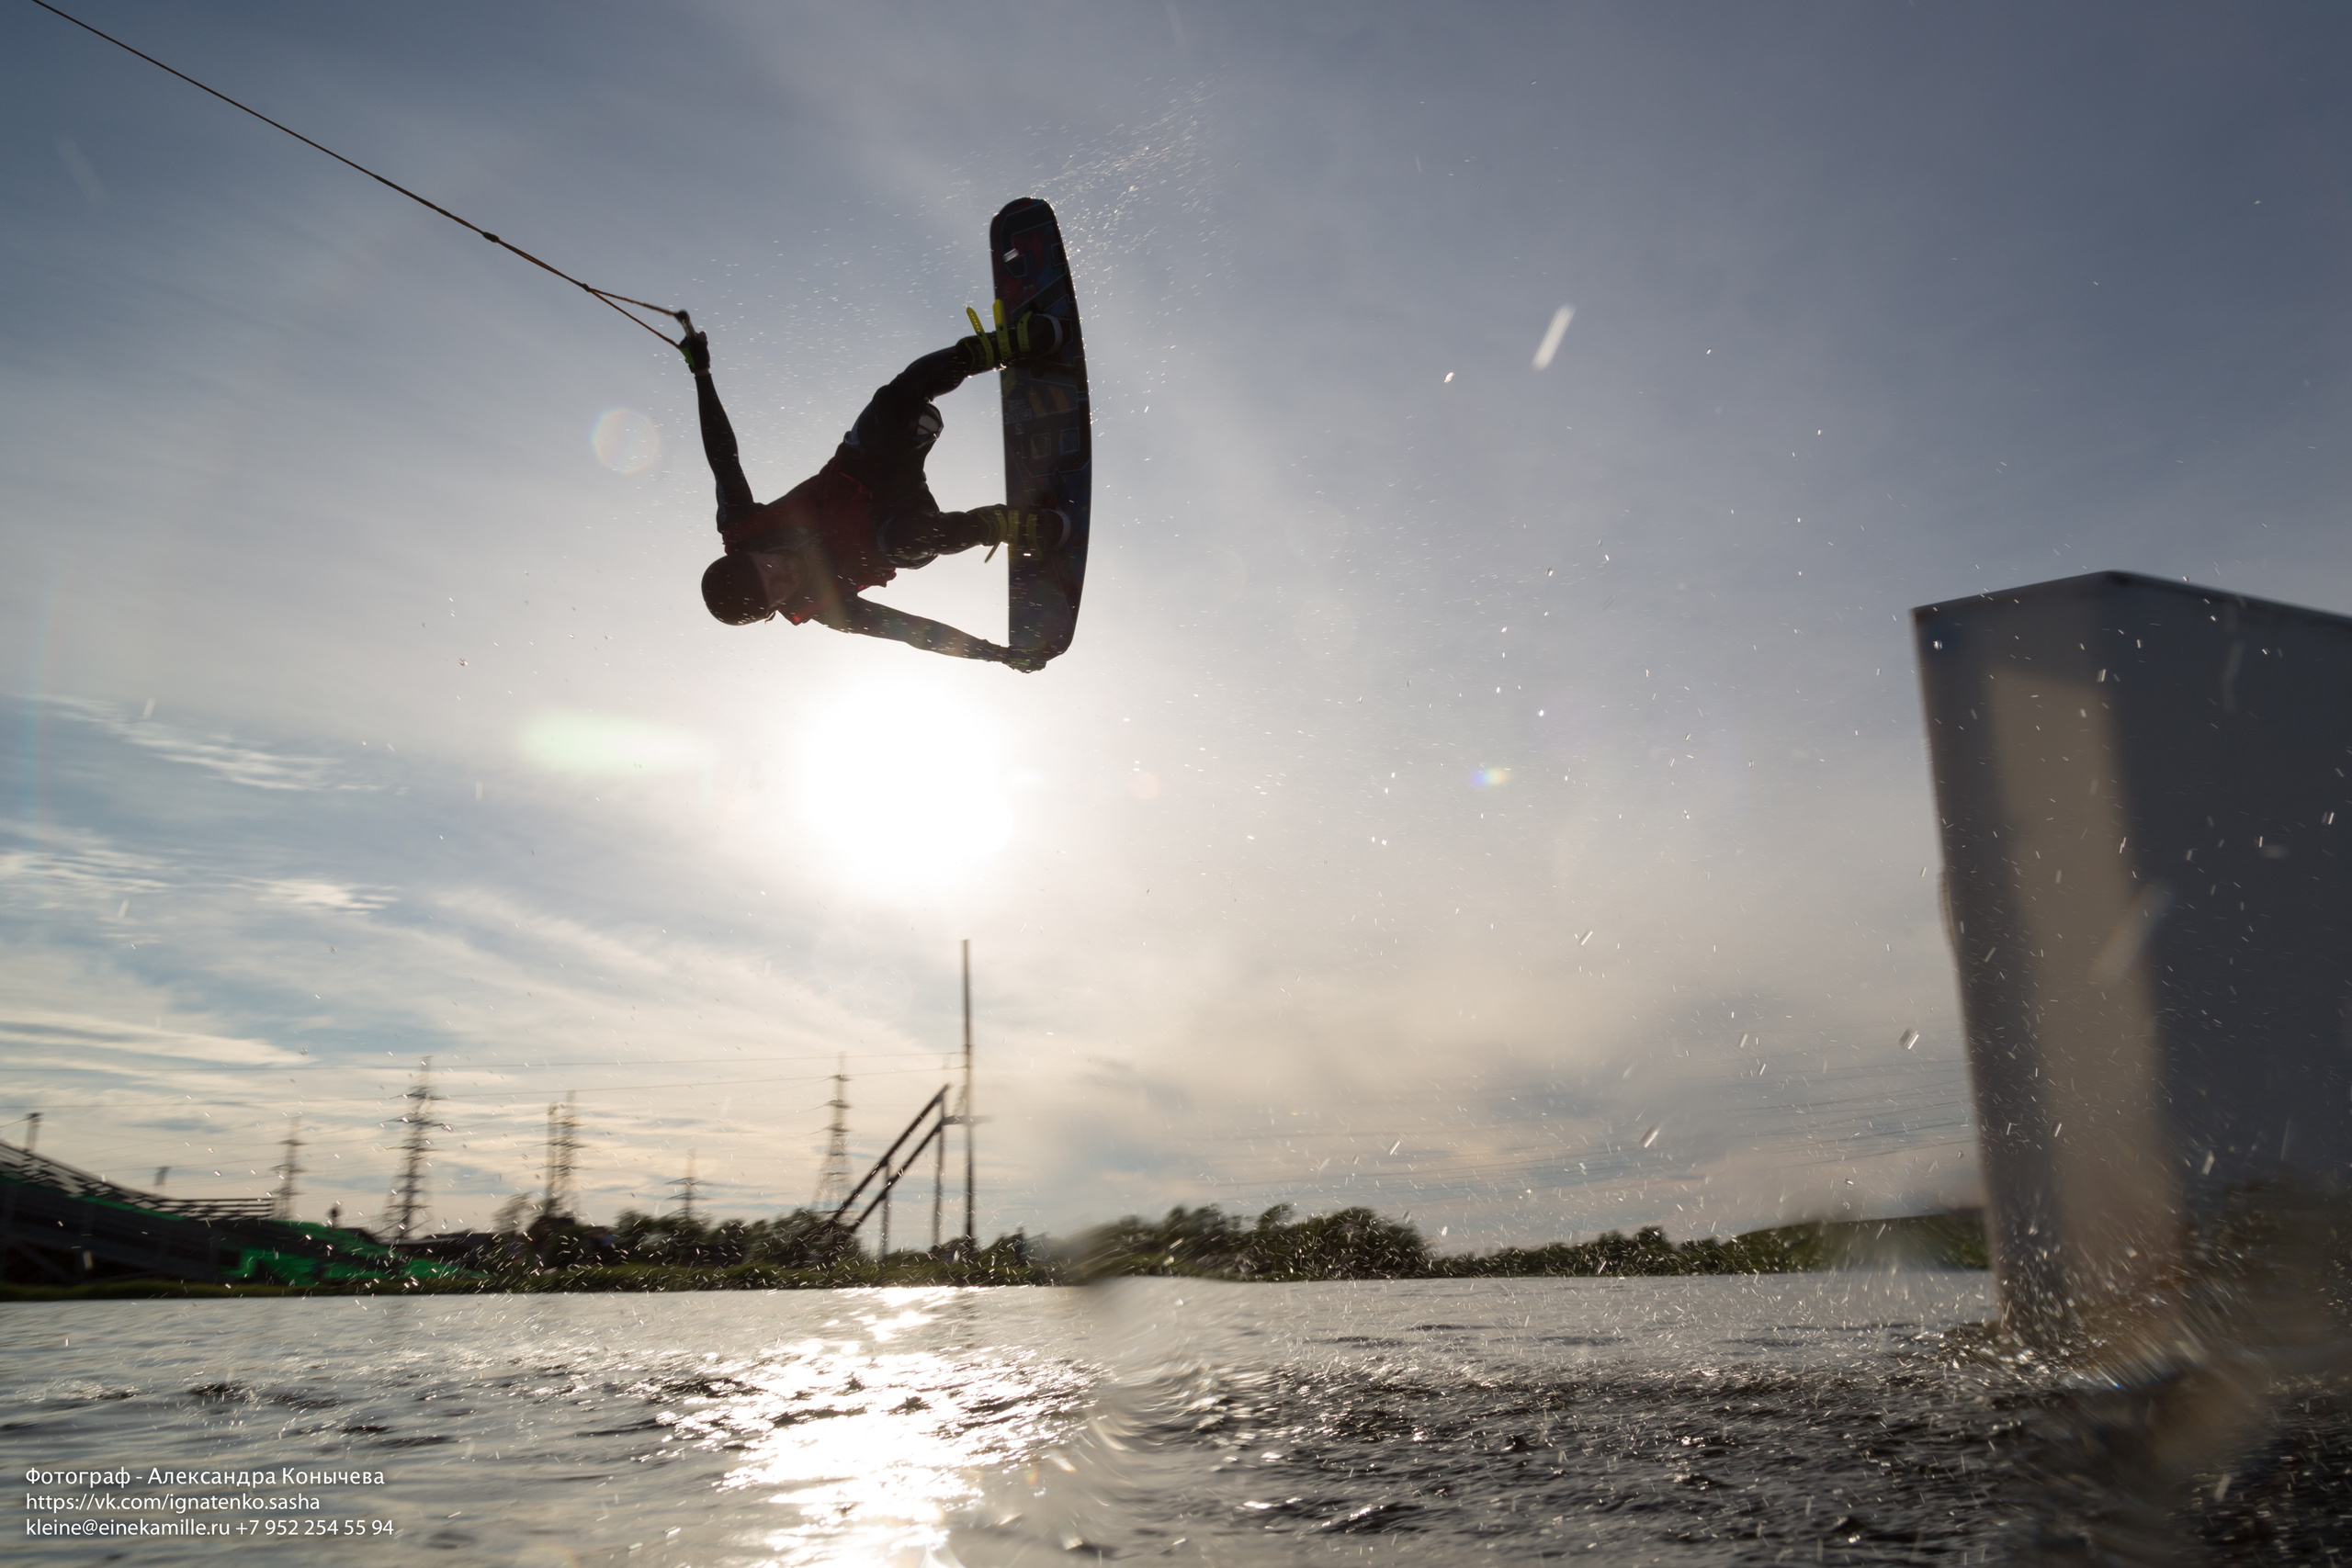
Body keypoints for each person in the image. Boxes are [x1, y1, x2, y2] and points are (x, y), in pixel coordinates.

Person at [685, 315, 1069, 669]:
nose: (783, 571)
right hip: (900, 525)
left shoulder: (742, 525)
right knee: (906, 540)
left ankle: (996, 350)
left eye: (766, 566)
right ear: (775, 609)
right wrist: (997, 654)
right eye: (778, 589)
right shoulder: (829, 610)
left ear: (750, 551)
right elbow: (915, 632)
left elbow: (722, 455)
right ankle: (1003, 525)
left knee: (893, 401)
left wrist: (701, 371)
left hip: (865, 468)